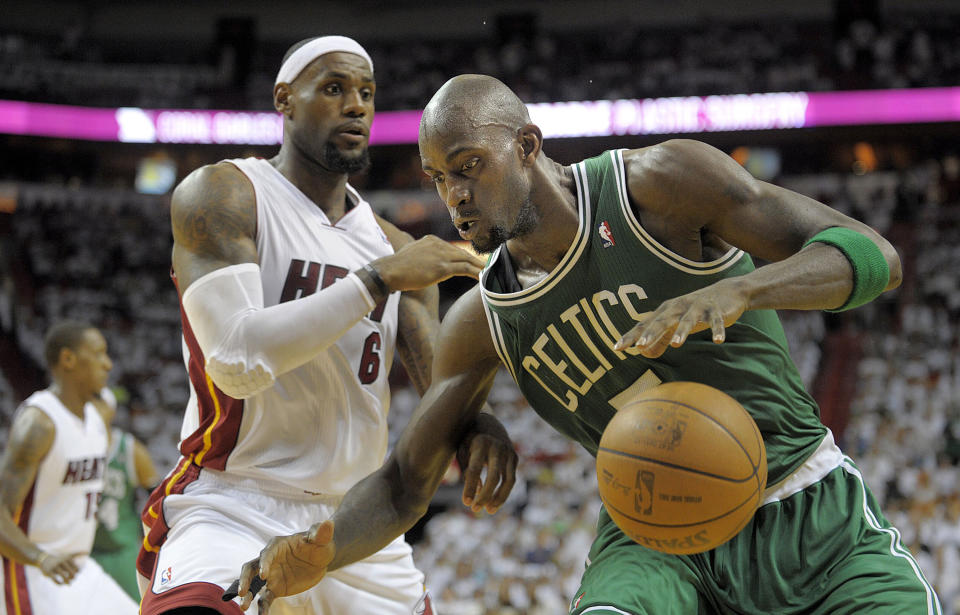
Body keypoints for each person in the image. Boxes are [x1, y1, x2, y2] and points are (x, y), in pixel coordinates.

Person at [236, 74, 944, 615]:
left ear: (527, 145)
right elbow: (402, 483)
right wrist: (315, 551)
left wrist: (744, 290)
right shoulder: (481, 320)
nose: (455, 195)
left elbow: (872, 254)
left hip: (808, 503)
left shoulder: (659, 186)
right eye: (439, 178)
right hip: (657, 540)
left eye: (469, 165)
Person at [136, 41, 517, 615]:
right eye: (335, 89)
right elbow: (237, 363)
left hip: (355, 518)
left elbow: (440, 380)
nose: (356, 106)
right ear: (284, 100)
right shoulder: (224, 193)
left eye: (366, 93)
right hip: (237, 500)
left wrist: (478, 423)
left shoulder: (396, 245)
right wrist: (374, 281)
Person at [0, 321, 138, 614]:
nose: (108, 364)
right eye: (99, 354)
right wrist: (39, 557)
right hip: (34, 569)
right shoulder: (39, 424)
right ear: (68, 360)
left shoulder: (97, 416)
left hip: (80, 566)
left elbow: (107, 403)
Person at [91, 388, 158, 600]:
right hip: (85, 550)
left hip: (123, 550)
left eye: (98, 404)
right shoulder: (73, 449)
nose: (91, 409)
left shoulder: (130, 449)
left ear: (111, 411)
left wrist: (145, 537)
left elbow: (156, 498)